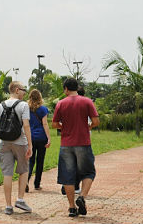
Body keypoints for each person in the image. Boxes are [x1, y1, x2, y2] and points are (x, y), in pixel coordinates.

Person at [52, 78, 100, 218]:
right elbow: (96, 121)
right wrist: (88, 127)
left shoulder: (61, 103)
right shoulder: (87, 101)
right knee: (88, 172)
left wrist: (64, 127)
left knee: (68, 176)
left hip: (66, 144)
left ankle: (72, 207)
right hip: (83, 142)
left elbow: (54, 124)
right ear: (77, 88)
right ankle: (82, 197)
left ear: (66, 89)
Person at [0, 81, 33, 215]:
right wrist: (30, 144)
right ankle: (20, 199)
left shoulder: (0, 105)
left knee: (7, 174)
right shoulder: (23, 105)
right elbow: (26, 126)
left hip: (4, 142)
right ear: (17, 90)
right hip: (20, 142)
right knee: (23, 170)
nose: (24, 92)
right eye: (23, 90)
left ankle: (8, 206)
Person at [26, 89, 51, 192]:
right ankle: (37, 184)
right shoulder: (43, 109)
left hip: (30, 137)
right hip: (41, 137)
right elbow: (45, 124)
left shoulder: (26, 109)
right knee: (40, 161)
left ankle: (26, 181)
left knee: (30, 161)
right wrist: (49, 137)